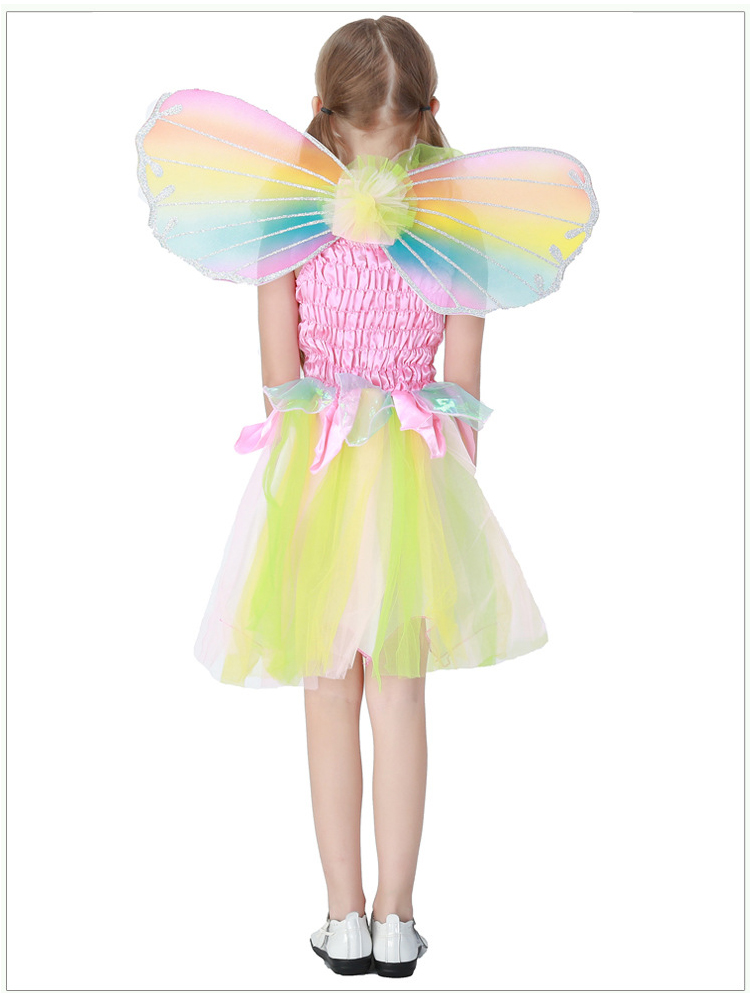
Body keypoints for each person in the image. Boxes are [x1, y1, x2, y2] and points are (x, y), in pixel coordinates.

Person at [136, 13, 596, 980]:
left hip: (315, 472)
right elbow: (463, 393)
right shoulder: (457, 227)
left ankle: (341, 916)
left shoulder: (287, 221)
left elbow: (277, 382)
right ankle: (398, 917)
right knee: (401, 697)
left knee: (325, 694)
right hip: (418, 477)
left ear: (322, 112)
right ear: (431, 113)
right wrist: (448, 515)